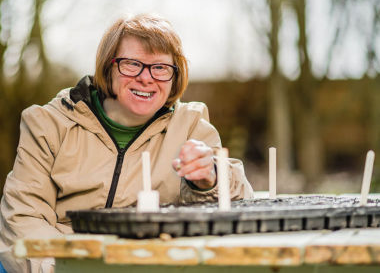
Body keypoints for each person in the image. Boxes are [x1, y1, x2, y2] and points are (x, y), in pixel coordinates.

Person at [0, 14, 254, 272]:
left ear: (175, 76)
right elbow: (23, 220)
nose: (146, 78)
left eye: (161, 67)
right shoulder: (48, 124)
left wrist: (210, 179)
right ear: (108, 67)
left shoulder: (190, 125)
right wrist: (75, 268)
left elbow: (238, 208)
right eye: (132, 64)